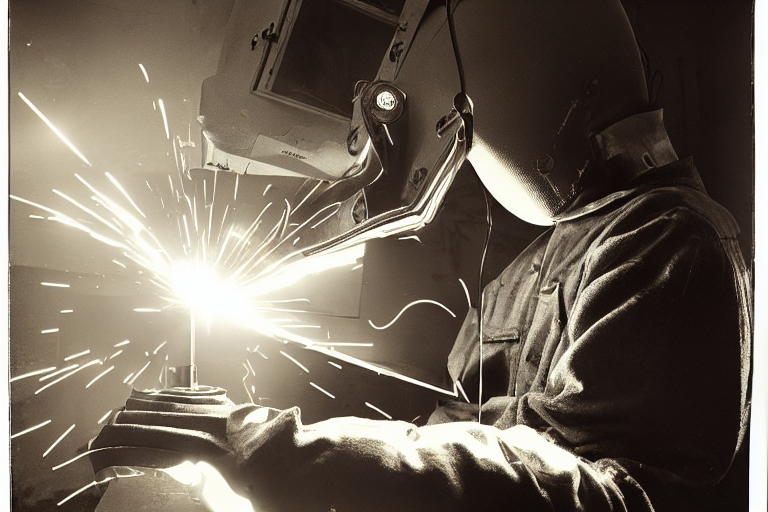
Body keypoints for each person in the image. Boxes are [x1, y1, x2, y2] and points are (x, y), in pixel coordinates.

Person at [89, 1, 752, 511]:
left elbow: (608, 496)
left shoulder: (671, 239)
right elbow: (464, 444)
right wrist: (325, 458)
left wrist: (278, 451)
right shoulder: (529, 269)